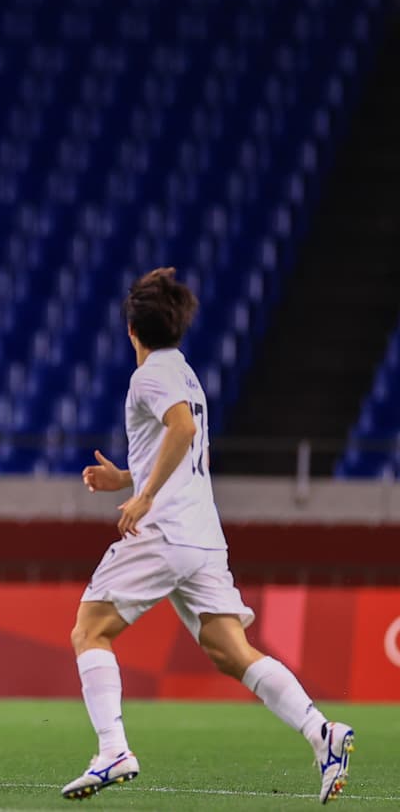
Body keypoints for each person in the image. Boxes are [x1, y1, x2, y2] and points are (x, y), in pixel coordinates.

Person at [62, 268, 353, 802]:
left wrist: (142, 498)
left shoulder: (149, 377)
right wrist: (125, 478)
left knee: (89, 631)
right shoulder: (187, 375)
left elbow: (183, 432)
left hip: (164, 530)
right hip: (201, 535)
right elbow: (179, 452)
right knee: (230, 649)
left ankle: (113, 750)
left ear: (131, 331)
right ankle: (323, 734)